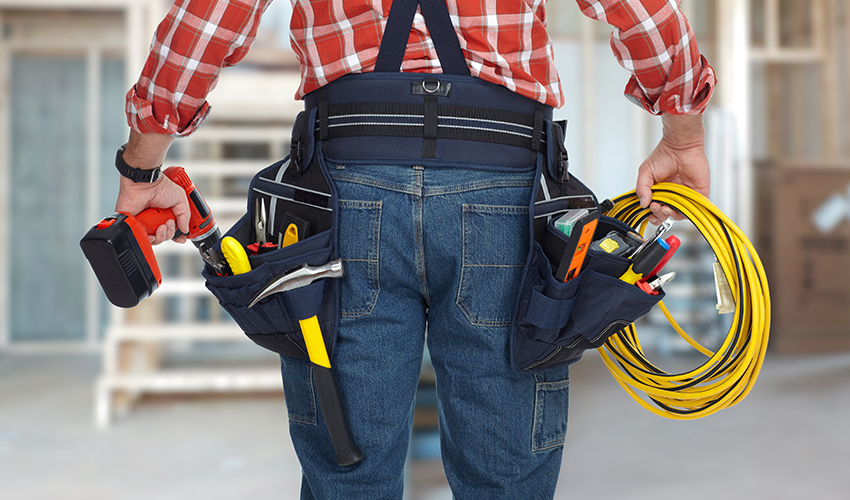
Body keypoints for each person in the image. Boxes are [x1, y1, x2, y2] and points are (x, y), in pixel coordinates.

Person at [113, 1, 715, 497]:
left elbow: (211, 15)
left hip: (346, 194)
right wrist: (682, 128)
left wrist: (142, 167)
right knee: (506, 477)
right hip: (500, 189)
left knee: (349, 472)